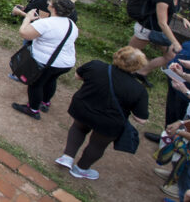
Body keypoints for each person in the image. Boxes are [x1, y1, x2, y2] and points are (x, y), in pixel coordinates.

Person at [54, 46, 148, 180]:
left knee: (78, 128)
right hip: (109, 121)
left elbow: (77, 76)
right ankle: (81, 169)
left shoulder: (96, 66)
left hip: (84, 108)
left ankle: (67, 157)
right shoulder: (139, 90)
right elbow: (141, 119)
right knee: (97, 144)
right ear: (137, 67)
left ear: (118, 55)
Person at [11, 0, 79, 119]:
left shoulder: (46, 23)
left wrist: (27, 18)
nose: (48, 4)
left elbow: (24, 33)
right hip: (65, 63)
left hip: (47, 62)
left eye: (50, 3)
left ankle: (33, 109)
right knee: (51, 80)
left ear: (53, 8)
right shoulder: (71, 24)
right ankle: (45, 102)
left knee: (36, 84)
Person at [131, 0, 190, 80]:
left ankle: (141, 72)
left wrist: (182, 19)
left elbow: (169, 12)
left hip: (159, 32)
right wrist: (175, 42)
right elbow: (162, 23)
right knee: (129, 53)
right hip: (147, 29)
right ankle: (116, 72)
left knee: (170, 56)